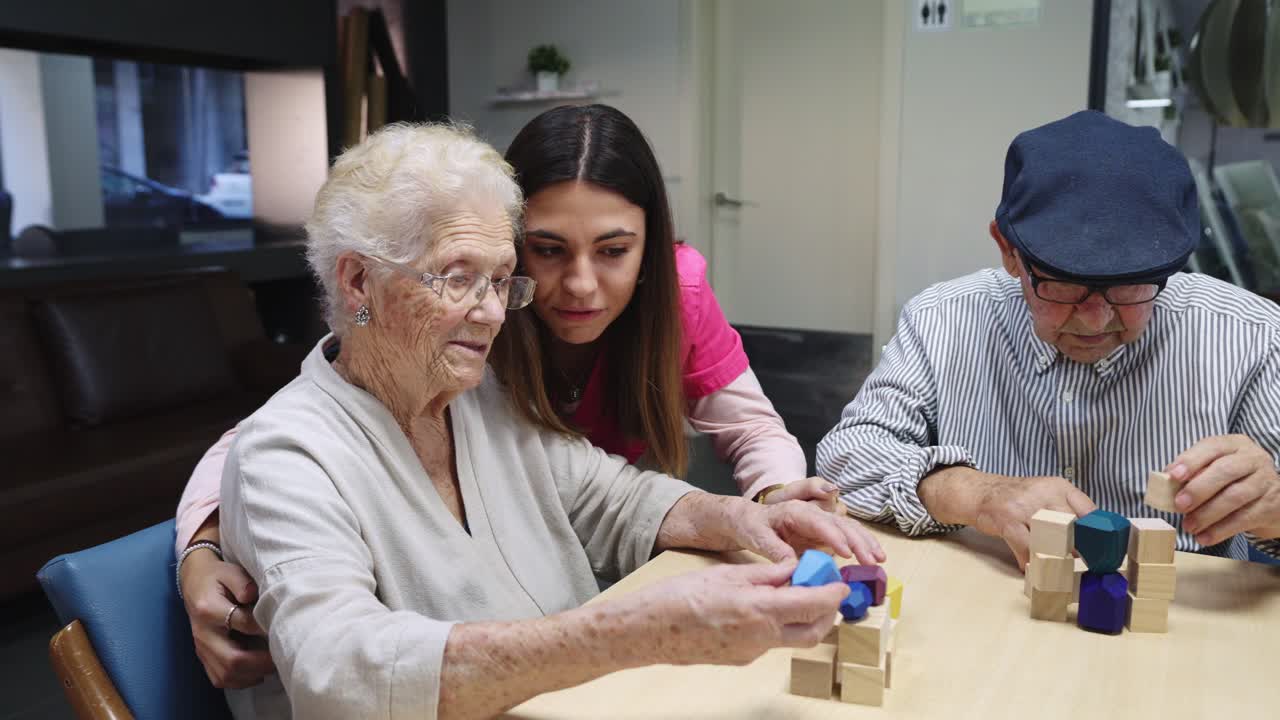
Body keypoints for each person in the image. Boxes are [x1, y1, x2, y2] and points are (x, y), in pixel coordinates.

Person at [206, 122, 886, 718]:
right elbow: (340, 678)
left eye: (502, 280)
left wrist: (746, 518)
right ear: (358, 282)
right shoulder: (287, 455)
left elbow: (617, 498)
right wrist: (636, 633)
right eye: (458, 276)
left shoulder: (479, 396)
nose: (492, 311)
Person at [816, 110, 1280, 569]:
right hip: (992, 609)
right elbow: (845, 457)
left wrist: (1273, 511)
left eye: (1131, 286)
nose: (1097, 320)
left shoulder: (1252, 337)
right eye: (1065, 285)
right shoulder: (942, 319)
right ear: (1008, 251)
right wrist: (976, 494)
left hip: (1179, 623)